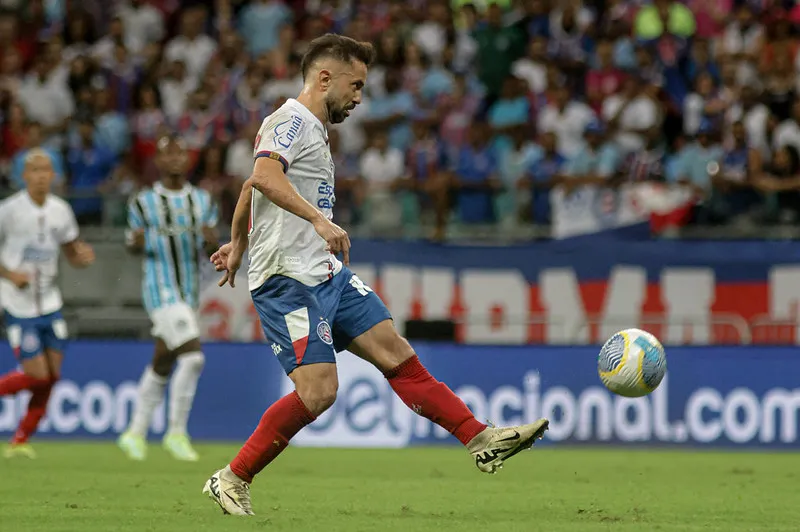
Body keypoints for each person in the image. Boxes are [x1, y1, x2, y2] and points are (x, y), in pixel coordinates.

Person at [202, 34, 550, 517]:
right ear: (325, 77)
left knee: (397, 354)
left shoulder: (315, 130)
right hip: (287, 280)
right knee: (319, 392)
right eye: (356, 84)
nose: (360, 97)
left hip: (327, 274)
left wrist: (238, 242)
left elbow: (250, 187)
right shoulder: (289, 120)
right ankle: (232, 478)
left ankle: (480, 438)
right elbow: (263, 177)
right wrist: (318, 221)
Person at [117, 135, 219, 462]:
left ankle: (134, 433)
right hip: (159, 291)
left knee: (163, 361)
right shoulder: (143, 202)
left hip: (188, 291)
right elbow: (131, 245)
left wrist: (210, 242)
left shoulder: (203, 201)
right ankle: (176, 433)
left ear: (188, 159)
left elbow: (209, 250)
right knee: (193, 358)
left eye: (180, 152)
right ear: (158, 161)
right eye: (168, 153)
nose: (175, 158)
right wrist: (133, 241)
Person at [0, 149, 95, 458]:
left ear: (53, 175)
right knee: (37, 374)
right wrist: (9, 274)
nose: (40, 176)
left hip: (50, 303)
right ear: (23, 175)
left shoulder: (61, 211)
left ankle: (20, 441)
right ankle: (20, 437)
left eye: (46, 170)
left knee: (52, 376)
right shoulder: (9, 210)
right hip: (18, 304)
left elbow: (72, 250)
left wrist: (82, 258)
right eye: (34, 170)